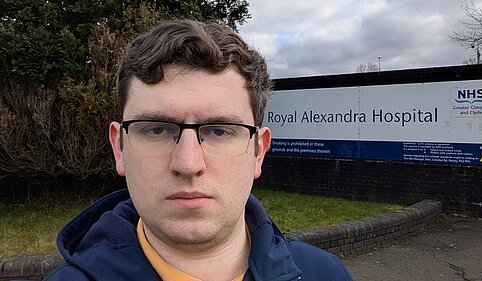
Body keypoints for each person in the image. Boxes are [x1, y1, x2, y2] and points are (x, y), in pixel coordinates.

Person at [44, 19, 353, 281]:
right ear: (119, 147)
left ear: (258, 152)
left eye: (219, 130)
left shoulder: (326, 273)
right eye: (157, 129)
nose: (188, 163)